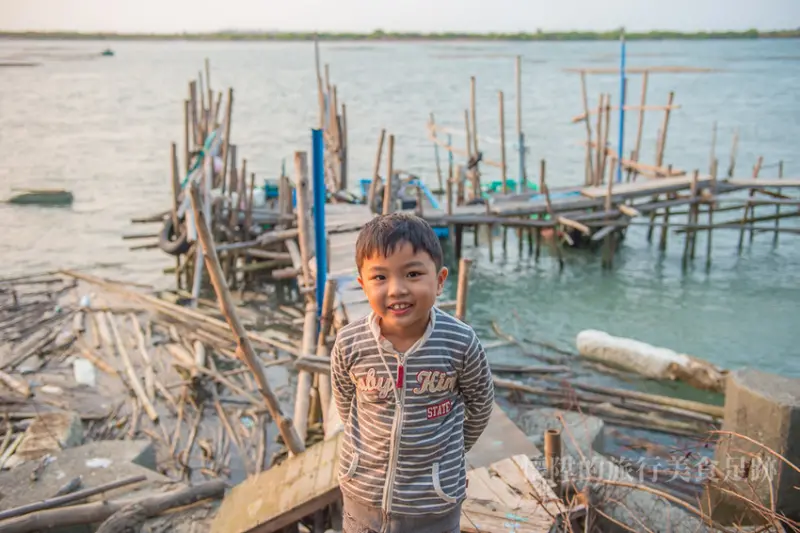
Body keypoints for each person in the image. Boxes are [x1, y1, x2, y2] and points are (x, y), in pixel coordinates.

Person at [331, 212, 494, 533]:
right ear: (362, 285)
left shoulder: (460, 342)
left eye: (413, 274)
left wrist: (447, 458)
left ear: (441, 280)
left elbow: (480, 405)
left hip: (434, 503)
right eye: (380, 277)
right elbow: (345, 402)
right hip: (363, 495)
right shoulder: (350, 343)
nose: (396, 289)